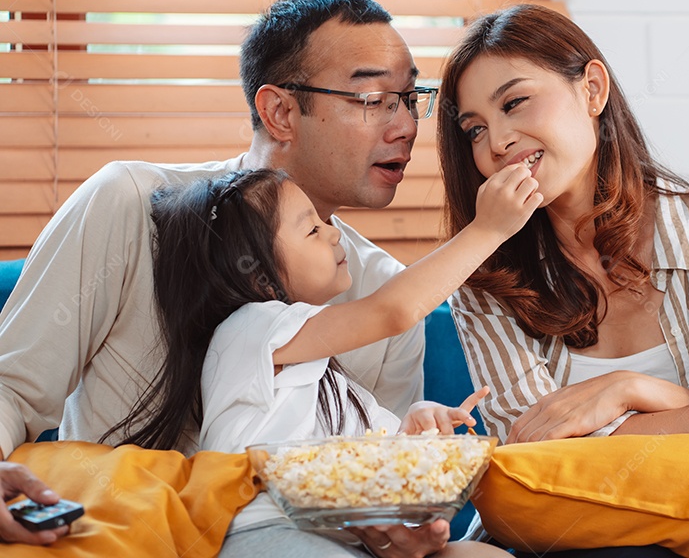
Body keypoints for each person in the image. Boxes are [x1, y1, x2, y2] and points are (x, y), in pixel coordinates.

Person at [0, 0, 474, 556]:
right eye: (373, 98)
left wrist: (388, 524)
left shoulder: (380, 282)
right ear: (279, 112)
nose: (404, 126)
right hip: (126, 533)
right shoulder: (128, 203)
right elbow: (12, 387)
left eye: (408, 96)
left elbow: (376, 475)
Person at [436, 4, 689, 480]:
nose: (497, 143)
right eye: (475, 129)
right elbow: (533, 448)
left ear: (592, 89)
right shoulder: (485, 277)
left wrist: (628, 389)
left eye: (514, 103)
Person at [127, 166, 535, 555]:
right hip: (267, 533)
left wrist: (415, 430)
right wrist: (488, 230)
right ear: (256, 276)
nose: (335, 233)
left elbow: (372, 472)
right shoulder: (249, 331)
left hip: (346, 540)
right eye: (312, 229)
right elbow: (392, 311)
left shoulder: (334, 382)